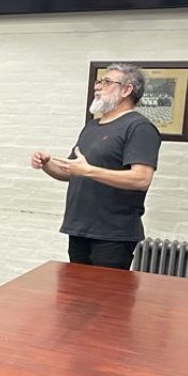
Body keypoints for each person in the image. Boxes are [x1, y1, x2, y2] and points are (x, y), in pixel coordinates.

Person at [31, 63, 161, 270]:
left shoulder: (139, 127)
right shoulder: (91, 126)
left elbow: (141, 179)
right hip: (80, 228)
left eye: (107, 82)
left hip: (113, 234)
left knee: (107, 299)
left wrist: (88, 170)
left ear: (127, 90)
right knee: (77, 297)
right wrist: (47, 164)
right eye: (99, 81)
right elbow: (69, 171)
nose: (97, 87)